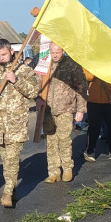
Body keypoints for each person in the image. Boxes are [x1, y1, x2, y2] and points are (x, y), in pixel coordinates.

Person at [0, 38, 41, 208]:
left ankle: (7, 191)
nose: (1, 58)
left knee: (12, 159)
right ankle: (12, 188)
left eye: (4, 54)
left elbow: (34, 92)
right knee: (6, 160)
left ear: (11, 52)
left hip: (16, 123)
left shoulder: (24, 71)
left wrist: (16, 80)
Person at [40, 42, 86, 184]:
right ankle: (53, 172)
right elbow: (38, 85)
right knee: (51, 142)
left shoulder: (71, 65)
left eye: (58, 52)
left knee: (64, 140)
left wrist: (81, 109)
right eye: (52, 52)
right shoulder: (45, 65)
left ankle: (67, 168)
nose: (55, 55)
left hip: (66, 109)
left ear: (63, 51)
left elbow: (81, 87)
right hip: (48, 110)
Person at [82, 70, 111, 162]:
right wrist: (96, 71)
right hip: (93, 101)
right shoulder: (91, 62)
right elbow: (87, 77)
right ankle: (90, 150)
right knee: (93, 126)